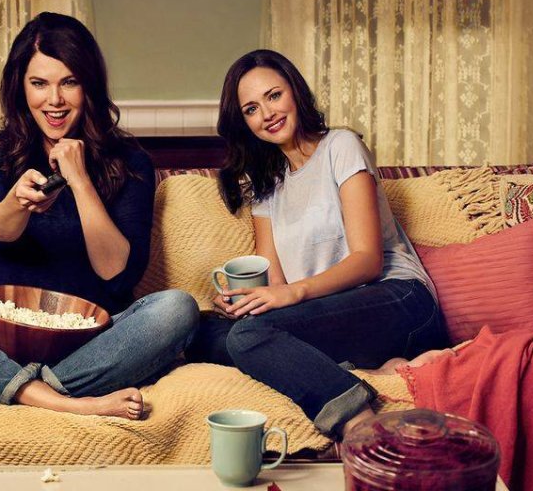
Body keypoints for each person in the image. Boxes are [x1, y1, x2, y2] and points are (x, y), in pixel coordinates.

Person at [0, 12, 199, 420]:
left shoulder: (130, 162)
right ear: (20, 86)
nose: (55, 100)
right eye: (39, 83)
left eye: (69, 82)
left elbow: (117, 274)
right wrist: (17, 202)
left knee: (178, 310)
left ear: (89, 86)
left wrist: (80, 181)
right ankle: (63, 403)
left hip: (91, 343)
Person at [186, 49, 448, 438]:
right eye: (251, 109)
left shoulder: (341, 146)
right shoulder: (267, 185)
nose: (267, 114)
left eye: (274, 96)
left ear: (295, 91)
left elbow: (367, 260)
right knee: (202, 334)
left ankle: (357, 417)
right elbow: (272, 278)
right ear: (244, 123)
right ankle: (368, 370)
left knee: (249, 338)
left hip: (398, 301)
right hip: (329, 315)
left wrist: (293, 293)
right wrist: (246, 301)